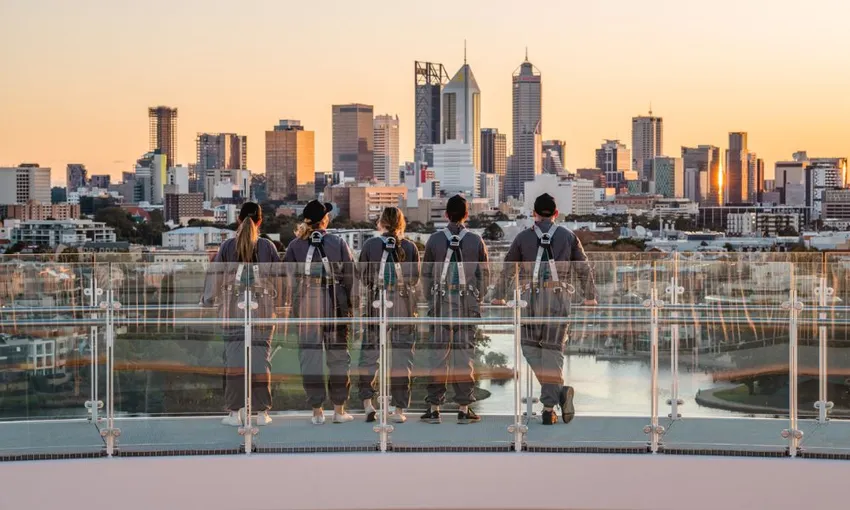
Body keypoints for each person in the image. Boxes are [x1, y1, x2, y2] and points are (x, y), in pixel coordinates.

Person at [494, 193, 597, 425]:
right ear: (556, 214)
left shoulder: (522, 238)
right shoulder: (568, 237)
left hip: (530, 299)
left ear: (534, 213)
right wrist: (590, 296)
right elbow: (583, 267)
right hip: (558, 300)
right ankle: (557, 396)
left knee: (529, 347)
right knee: (553, 351)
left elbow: (508, 269)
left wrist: (499, 295)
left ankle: (549, 407)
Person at [202, 202, 280, 427]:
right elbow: (279, 278)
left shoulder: (227, 246)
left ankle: (235, 412)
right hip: (262, 309)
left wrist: (207, 300)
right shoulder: (267, 246)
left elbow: (215, 277)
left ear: (238, 220)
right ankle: (261, 412)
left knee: (234, 361)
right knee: (260, 360)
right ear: (260, 221)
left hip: (232, 308)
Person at [283, 200, 356, 425]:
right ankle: (339, 410)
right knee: (338, 357)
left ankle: (317, 411)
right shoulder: (338, 243)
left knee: (310, 357)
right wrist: (351, 307)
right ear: (325, 220)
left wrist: (292, 306)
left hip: (306, 304)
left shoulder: (295, 245)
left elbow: (286, 278)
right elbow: (351, 277)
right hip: (334, 304)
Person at [420, 195, 489, 424]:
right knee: (464, 356)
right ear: (466, 215)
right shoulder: (476, 241)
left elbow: (426, 275)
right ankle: (463, 408)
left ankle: (434, 408)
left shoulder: (434, 240)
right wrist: (477, 298)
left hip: (441, 304)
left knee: (438, 357)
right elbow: (484, 276)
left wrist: (431, 298)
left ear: (446, 214)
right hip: (467, 305)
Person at [356, 207, 420, 424]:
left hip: (377, 301)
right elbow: (415, 278)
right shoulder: (410, 247)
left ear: (381, 222)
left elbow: (362, 276)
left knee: (370, 354)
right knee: (402, 356)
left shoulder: (370, 245)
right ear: (401, 223)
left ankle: (367, 404)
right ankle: (399, 408)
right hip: (402, 303)